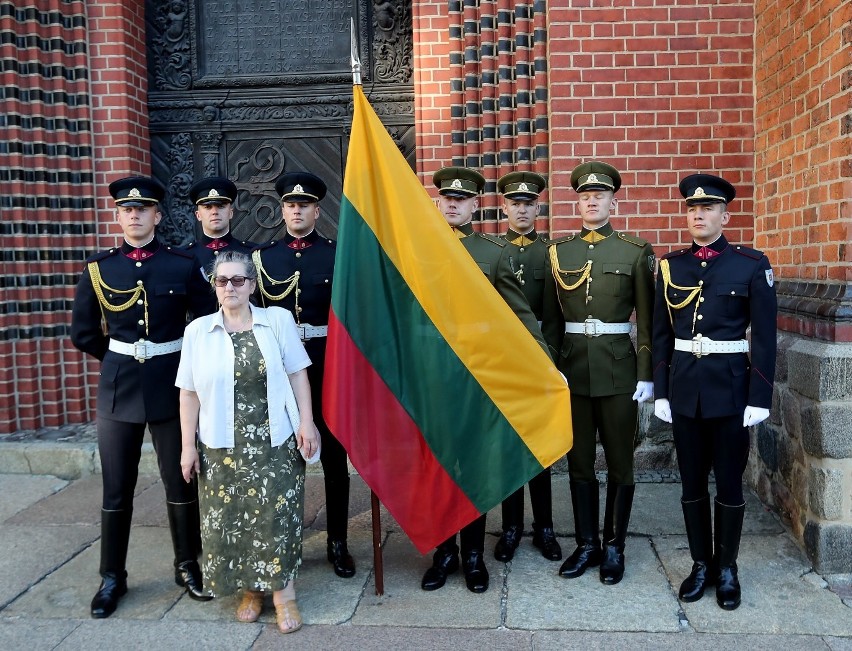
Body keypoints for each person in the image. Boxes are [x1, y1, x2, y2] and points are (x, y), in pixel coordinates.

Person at [70, 176, 214, 618]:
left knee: (181, 479)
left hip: (172, 384)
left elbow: (207, 322)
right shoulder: (99, 268)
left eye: (143, 209)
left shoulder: (182, 264)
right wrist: (121, 358)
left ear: (158, 215)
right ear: (118, 216)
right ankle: (112, 576)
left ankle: (187, 565)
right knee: (117, 487)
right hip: (119, 388)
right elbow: (83, 333)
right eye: (127, 210)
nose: (134, 215)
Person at [420, 166, 550, 594]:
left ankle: (473, 555)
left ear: (476, 205)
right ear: (438, 202)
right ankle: (444, 552)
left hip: (477, 378)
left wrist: (544, 367)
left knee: (473, 468)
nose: (453, 204)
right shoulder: (417, 250)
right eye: (446, 198)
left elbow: (520, 316)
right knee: (439, 470)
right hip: (433, 378)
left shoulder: (493, 253)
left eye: (462, 199)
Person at [652, 173, 776, 610]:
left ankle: (727, 567)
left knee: (728, 483)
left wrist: (759, 398)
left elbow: (763, 337)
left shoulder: (750, 264)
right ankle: (700, 563)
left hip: (731, 391)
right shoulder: (671, 266)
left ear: (725, 214)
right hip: (685, 389)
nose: (698, 214)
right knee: (690, 483)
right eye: (691, 208)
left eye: (707, 208)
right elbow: (661, 332)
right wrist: (661, 390)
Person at [176, 251, 318, 634]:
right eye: (222, 281)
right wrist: (188, 446)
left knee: (276, 518)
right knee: (233, 519)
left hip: (276, 441)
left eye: (238, 280)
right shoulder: (198, 332)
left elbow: (298, 373)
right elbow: (188, 393)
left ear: (252, 285)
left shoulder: (277, 321)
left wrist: (307, 422)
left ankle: (283, 595)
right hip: (221, 445)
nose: (230, 288)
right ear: (214, 287)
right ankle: (251, 591)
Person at [541, 161, 655, 585]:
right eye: (585, 195)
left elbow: (648, 318)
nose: (592, 200)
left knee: (621, 463)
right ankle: (587, 543)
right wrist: (552, 369)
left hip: (619, 372)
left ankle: (614, 546)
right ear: (578, 201)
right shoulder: (559, 251)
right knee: (580, 464)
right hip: (572, 373)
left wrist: (646, 373)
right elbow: (552, 322)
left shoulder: (635, 251)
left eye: (600, 195)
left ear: (613, 200)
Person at [252, 171, 356, 578]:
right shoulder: (262, 260)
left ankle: (338, 542)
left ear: (317, 210)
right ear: (282, 210)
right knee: (280, 460)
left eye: (305, 204)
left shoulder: (336, 254)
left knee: (334, 458)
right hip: (278, 370)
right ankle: (284, 538)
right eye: (290, 204)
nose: (297, 210)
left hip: (327, 364)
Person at [492, 171, 561, 563]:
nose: (521, 209)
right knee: (509, 450)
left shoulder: (549, 254)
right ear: (504, 208)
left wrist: (548, 362)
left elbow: (553, 314)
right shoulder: (493, 250)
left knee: (542, 449)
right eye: (515, 203)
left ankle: (545, 527)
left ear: (538, 208)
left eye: (528, 204)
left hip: (539, 365)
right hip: (502, 366)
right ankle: (512, 526)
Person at [182, 176, 256, 314]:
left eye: (221, 206)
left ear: (231, 212)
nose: (214, 212)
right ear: (198, 215)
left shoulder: (252, 253)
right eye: (207, 207)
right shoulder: (185, 257)